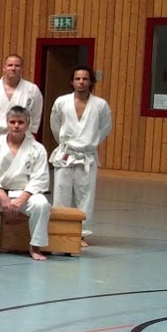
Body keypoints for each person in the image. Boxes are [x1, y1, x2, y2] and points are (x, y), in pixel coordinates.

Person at [0, 106, 53, 261]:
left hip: (25, 193)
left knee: (42, 204)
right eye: (12, 122)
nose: (16, 126)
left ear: (28, 124)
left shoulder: (38, 148)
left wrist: (21, 200)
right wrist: (3, 197)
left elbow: (40, 179)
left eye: (20, 122)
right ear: (7, 123)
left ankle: (35, 246)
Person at [49, 66, 111, 244]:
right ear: (72, 81)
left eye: (85, 79)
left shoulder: (100, 105)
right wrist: (66, 144)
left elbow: (105, 128)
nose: (81, 82)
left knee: (85, 196)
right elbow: (55, 126)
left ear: (91, 81)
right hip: (66, 153)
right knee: (61, 194)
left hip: (86, 156)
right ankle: (59, 231)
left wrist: (90, 143)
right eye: (78, 79)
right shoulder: (61, 102)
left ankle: (80, 233)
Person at [0, 55, 44, 146]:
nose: (13, 68)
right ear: (4, 68)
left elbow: (35, 116)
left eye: (17, 66)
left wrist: (28, 133)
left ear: (22, 69)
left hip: (22, 138)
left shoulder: (32, 90)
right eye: (10, 65)